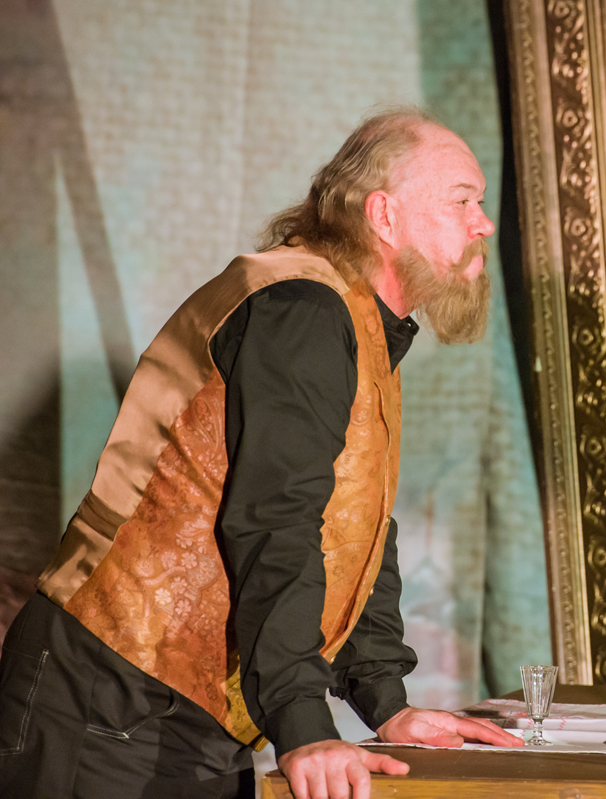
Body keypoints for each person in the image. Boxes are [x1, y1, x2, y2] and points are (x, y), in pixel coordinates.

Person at [0, 108, 523, 799]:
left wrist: (385, 701)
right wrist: (303, 722)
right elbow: (276, 519)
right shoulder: (304, 309)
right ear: (385, 216)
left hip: (178, 712)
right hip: (110, 700)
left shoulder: (357, 320)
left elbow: (354, 526)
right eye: (463, 201)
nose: (483, 223)